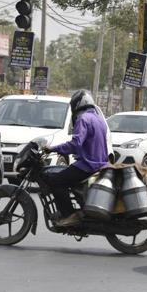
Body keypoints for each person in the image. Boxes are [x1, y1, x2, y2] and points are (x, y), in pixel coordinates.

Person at [43, 90, 108, 227]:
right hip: (99, 164)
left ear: (78, 104)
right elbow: (91, 143)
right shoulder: (99, 119)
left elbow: (75, 143)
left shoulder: (83, 118)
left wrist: (53, 148)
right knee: (67, 176)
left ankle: (69, 215)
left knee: (56, 181)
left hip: (88, 165)